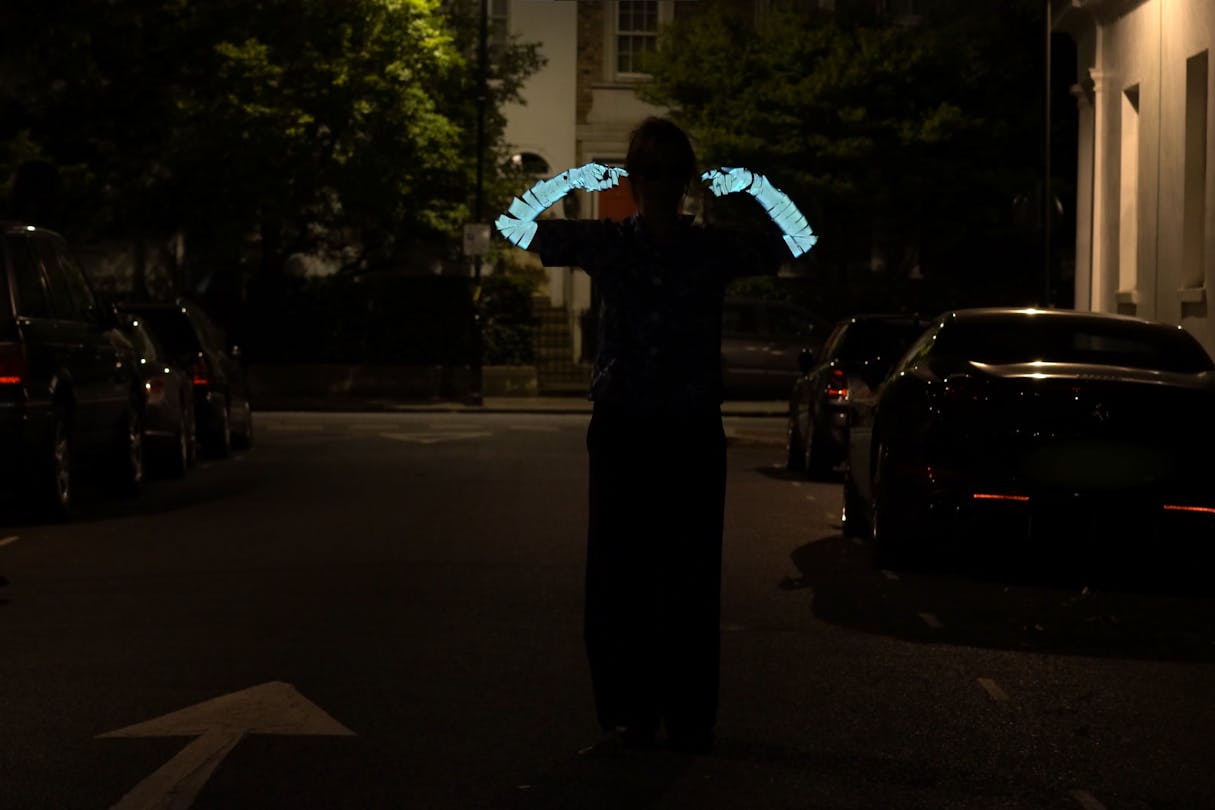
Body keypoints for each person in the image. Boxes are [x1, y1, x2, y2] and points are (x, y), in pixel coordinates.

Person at [494, 117, 814, 755]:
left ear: (686, 181)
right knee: (618, 576)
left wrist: (752, 183)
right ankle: (627, 714)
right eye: (650, 173)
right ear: (636, 180)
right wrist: (588, 175)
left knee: (690, 576)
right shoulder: (609, 242)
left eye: (673, 173)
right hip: (624, 426)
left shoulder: (710, 247)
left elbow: (799, 239)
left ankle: (688, 715)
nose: (662, 187)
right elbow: (514, 224)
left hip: (689, 427)